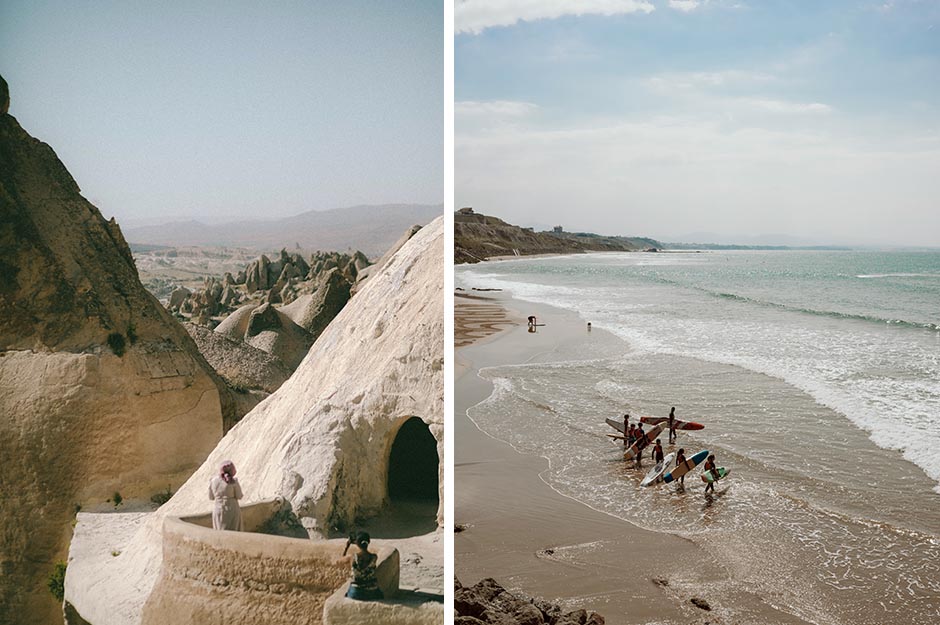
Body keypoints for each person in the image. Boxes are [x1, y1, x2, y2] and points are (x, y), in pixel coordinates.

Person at [343, 531, 383, 600]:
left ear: (356, 543)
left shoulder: (352, 557)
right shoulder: (374, 557)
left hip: (356, 592)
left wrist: (347, 547)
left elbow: (341, 559)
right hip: (372, 591)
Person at [209, 460, 243, 531]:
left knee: (220, 532)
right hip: (232, 509)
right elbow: (239, 496)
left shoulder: (213, 481)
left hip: (217, 509)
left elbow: (211, 497)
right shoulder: (233, 482)